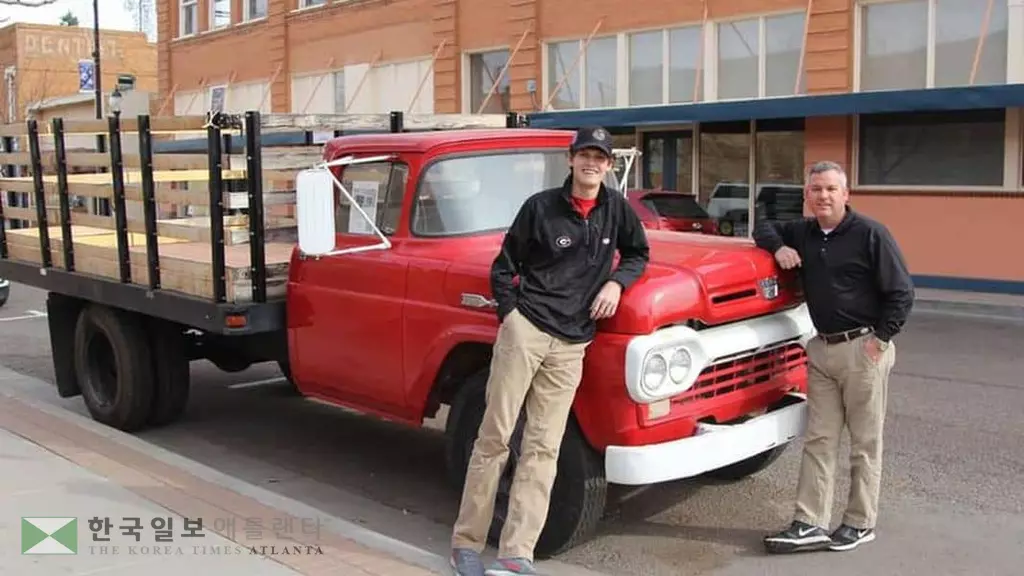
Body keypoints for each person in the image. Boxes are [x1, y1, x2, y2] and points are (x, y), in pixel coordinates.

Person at [449, 126, 650, 576]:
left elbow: (638, 253)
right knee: (495, 436)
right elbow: (505, 267)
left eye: (600, 157)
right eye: (585, 155)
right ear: (571, 159)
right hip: (527, 332)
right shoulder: (540, 207)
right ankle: (466, 542)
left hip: (573, 342)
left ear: (609, 165)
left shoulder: (617, 210)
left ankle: (517, 552)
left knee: (543, 447)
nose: (592, 164)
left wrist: (618, 283)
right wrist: (511, 317)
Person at [757, 160, 915, 554]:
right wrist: (779, 247)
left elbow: (902, 292)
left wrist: (880, 341)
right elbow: (762, 226)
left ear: (846, 194)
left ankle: (861, 523)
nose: (823, 196)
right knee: (819, 439)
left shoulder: (870, 234)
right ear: (807, 196)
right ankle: (808, 522)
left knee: (865, 442)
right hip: (822, 349)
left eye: (831, 189)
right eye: (815, 190)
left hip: (864, 350)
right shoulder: (804, 232)